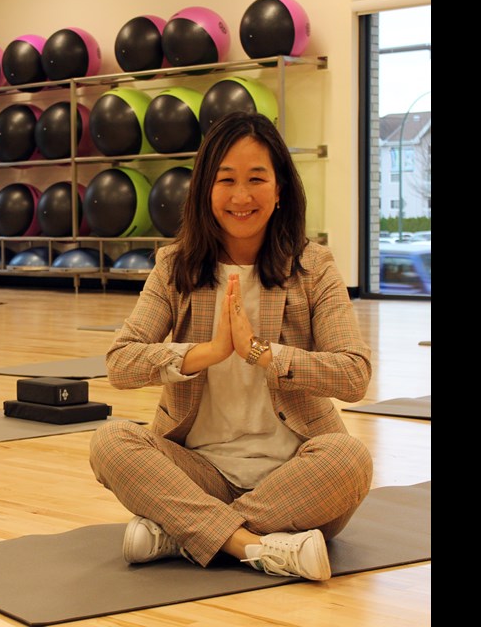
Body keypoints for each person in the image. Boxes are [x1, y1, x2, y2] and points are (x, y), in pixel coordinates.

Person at [89, 111, 373, 581]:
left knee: (350, 460)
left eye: (256, 179)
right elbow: (121, 362)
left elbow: (354, 373)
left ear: (280, 189)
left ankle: (182, 533)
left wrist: (265, 353)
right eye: (226, 180)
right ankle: (256, 546)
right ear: (205, 190)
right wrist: (205, 352)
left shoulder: (313, 267)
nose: (241, 196)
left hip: (295, 477)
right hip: (197, 473)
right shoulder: (174, 266)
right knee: (110, 442)